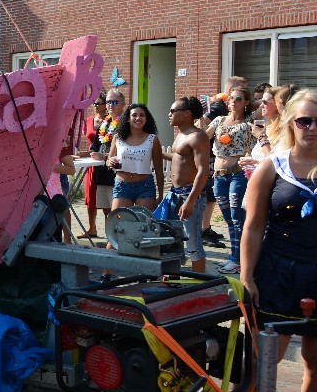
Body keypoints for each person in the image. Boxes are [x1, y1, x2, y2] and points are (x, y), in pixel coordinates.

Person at [241, 89, 317, 392]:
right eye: (305, 120)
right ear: (291, 123)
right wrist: (247, 275)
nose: (312, 127)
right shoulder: (273, 166)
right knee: (265, 360)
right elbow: (254, 226)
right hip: (276, 271)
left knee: (315, 364)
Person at [205, 87, 255, 274]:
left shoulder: (249, 122)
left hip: (238, 174)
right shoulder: (219, 120)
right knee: (228, 219)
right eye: (231, 98)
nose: (233, 101)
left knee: (237, 217)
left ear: (246, 102)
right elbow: (203, 136)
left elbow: (261, 104)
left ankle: (238, 258)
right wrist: (203, 115)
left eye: (239, 98)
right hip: (220, 175)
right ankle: (235, 256)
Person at [158, 97, 210, 272]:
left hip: (189, 196)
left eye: (173, 111)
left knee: (193, 245)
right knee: (172, 243)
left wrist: (191, 201)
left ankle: (201, 287)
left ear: (187, 114)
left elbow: (203, 170)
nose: (169, 114)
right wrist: (156, 153)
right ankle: (173, 281)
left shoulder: (198, 136)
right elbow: (179, 158)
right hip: (175, 195)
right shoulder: (181, 134)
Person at [108, 103, 164, 210]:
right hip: (122, 186)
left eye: (142, 115)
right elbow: (109, 160)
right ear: (128, 119)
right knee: (118, 221)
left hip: (145, 187)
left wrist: (160, 194)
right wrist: (110, 162)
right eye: (134, 115)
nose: (138, 118)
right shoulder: (118, 137)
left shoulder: (153, 139)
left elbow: (159, 169)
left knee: (142, 223)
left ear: (146, 119)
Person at [89, 90, 126, 217]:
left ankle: (118, 236)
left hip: (118, 175)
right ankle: (110, 236)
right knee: (106, 210)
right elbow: (95, 147)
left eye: (114, 102)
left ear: (123, 104)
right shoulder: (104, 123)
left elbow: (126, 152)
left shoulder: (126, 124)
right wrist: (82, 154)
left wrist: (104, 156)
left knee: (118, 212)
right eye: (108, 102)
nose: (111, 105)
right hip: (102, 173)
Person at [79, 93, 107, 238]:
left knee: (105, 197)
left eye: (99, 103)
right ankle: (92, 229)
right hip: (91, 162)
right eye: (94, 103)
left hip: (104, 162)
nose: (96, 106)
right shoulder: (89, 120)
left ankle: (110, 230)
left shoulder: (109, 121)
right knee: (90, 197)